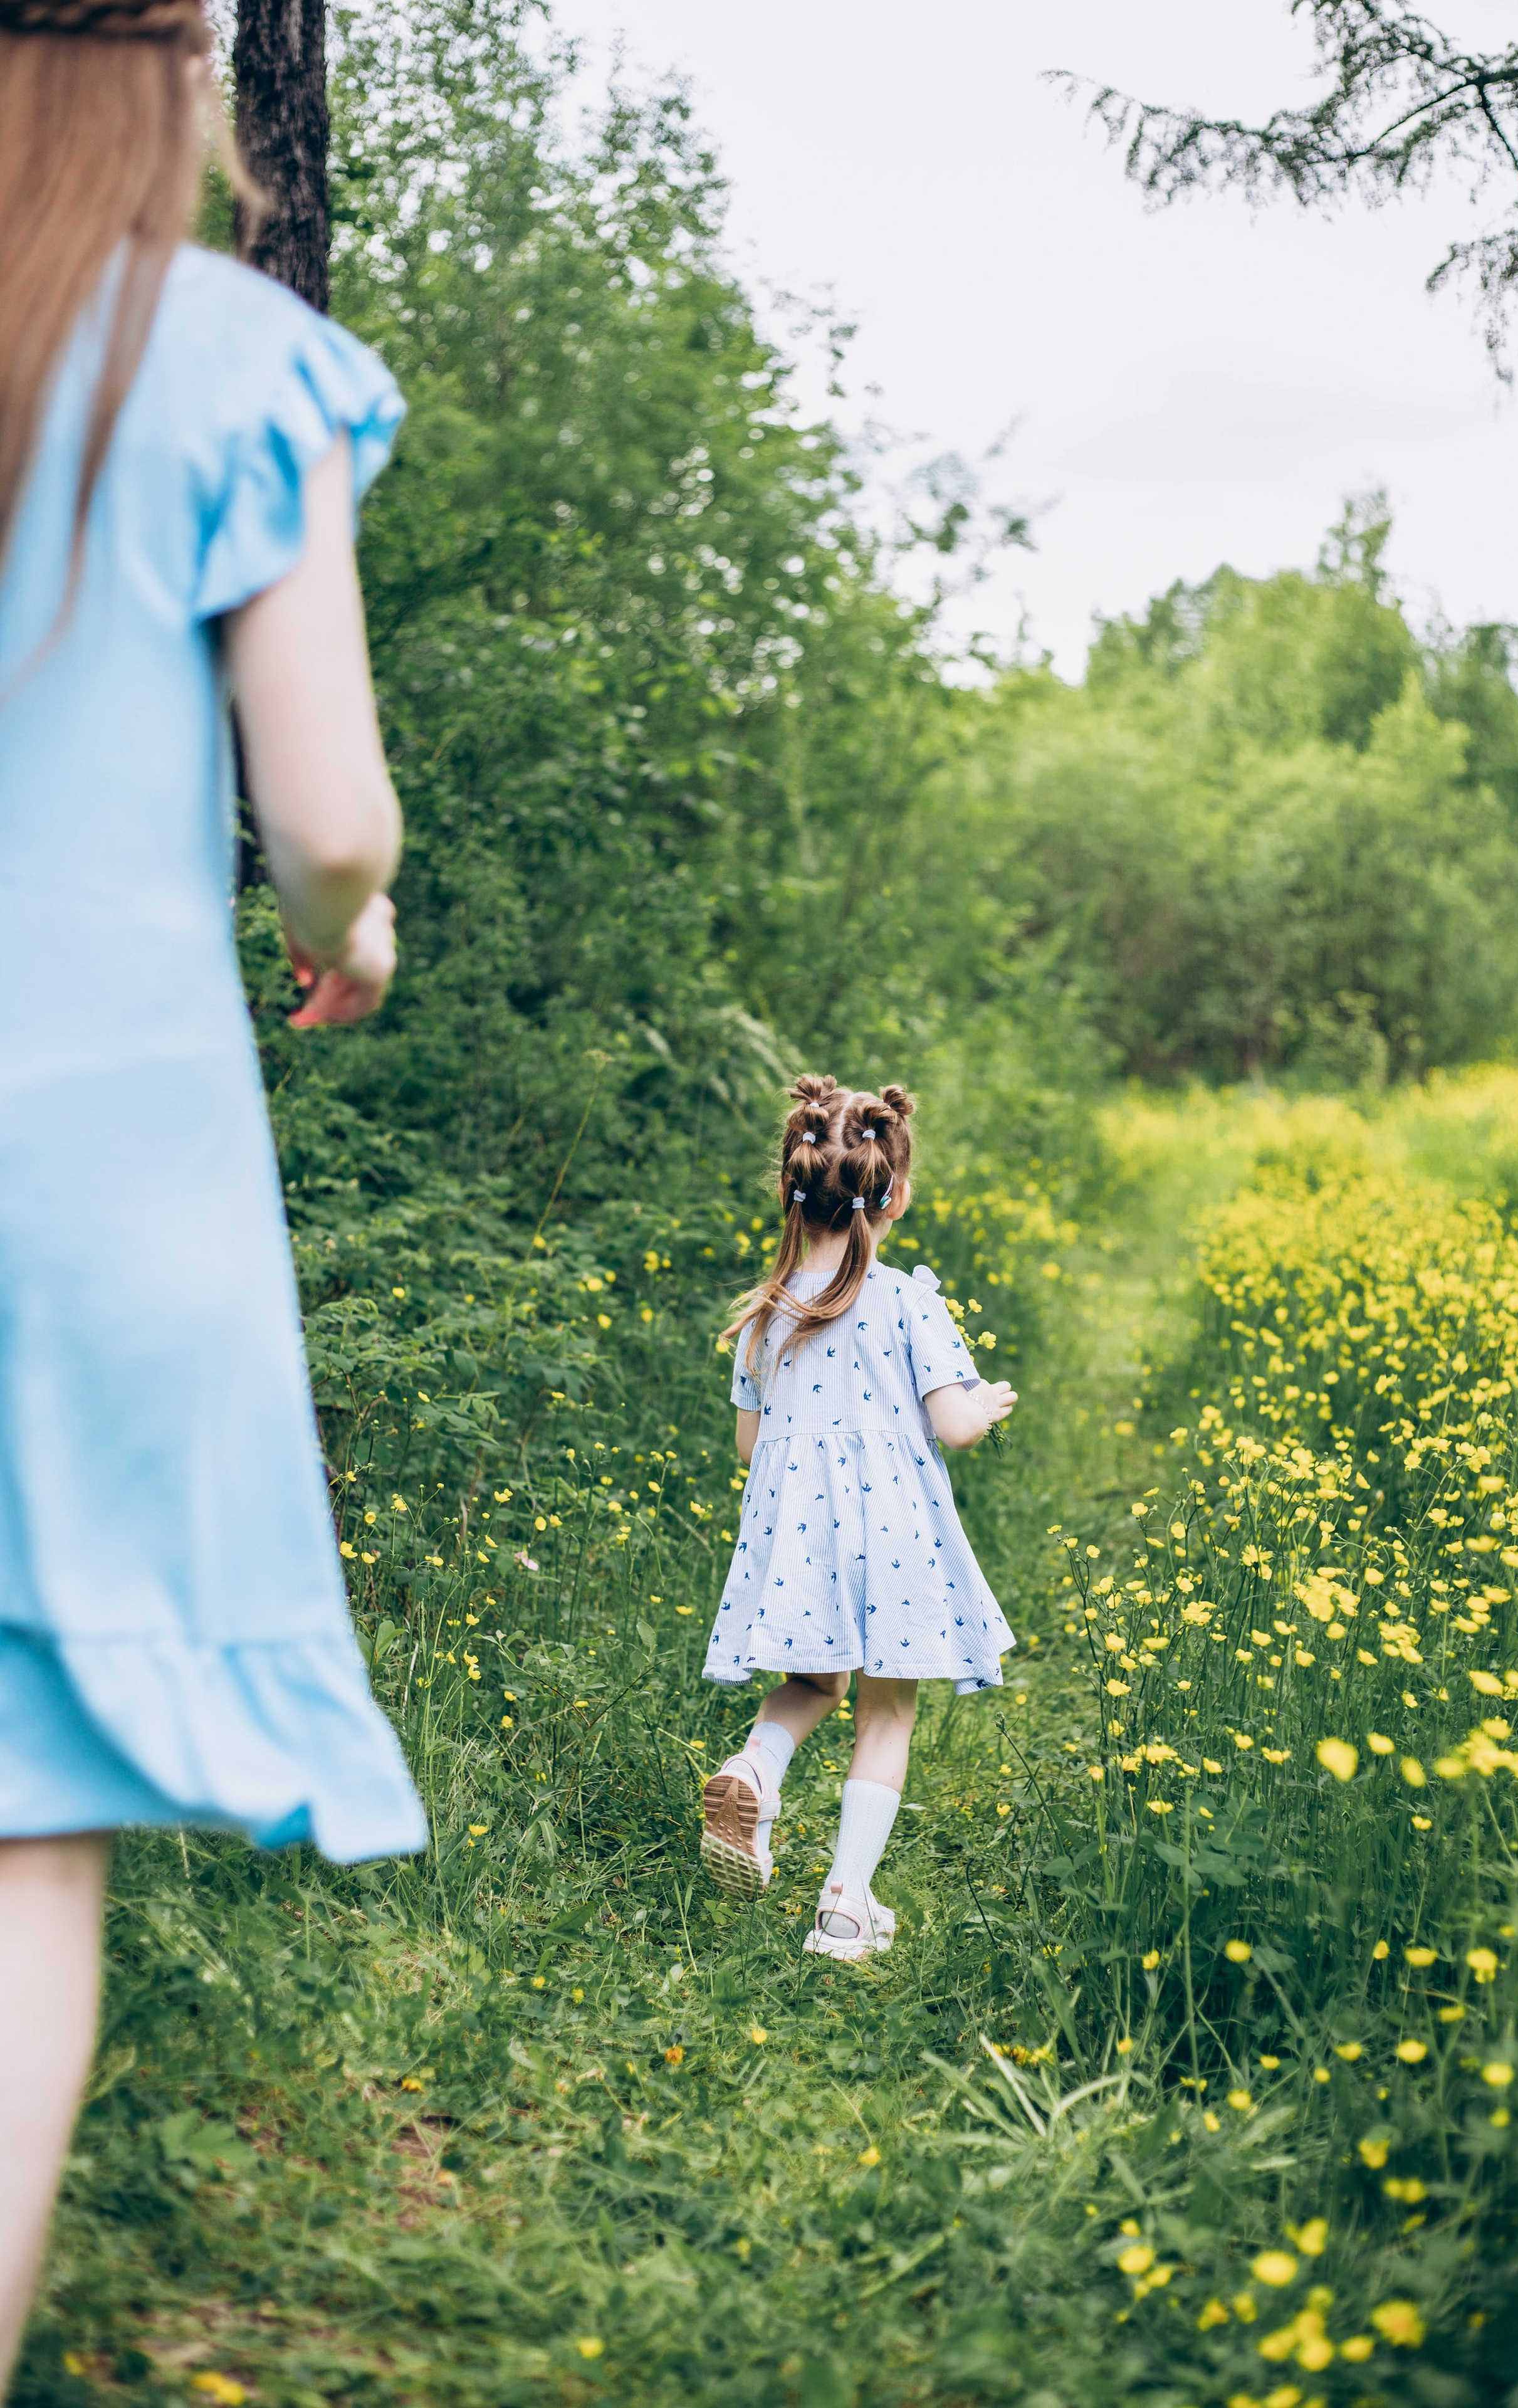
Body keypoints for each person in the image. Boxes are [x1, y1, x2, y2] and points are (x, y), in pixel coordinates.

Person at [0, 0, 426, 2380]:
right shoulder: (220, 359)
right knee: (11, 1848)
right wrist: (341, 935)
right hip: (76, 1174)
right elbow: (332, 815)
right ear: (165, 78)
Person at [699, 1075, 1017, 1958]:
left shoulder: (768, 1312)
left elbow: (746, 1444)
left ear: (794, 1186)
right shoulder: (910, 1298)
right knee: (884, 1711)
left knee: (813, 1683)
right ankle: (844, 1905)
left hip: (799, 1534)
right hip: (896, 1537)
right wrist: (987, 1402)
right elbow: (953, 1426)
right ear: (896, 1191)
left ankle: (754, 1767)